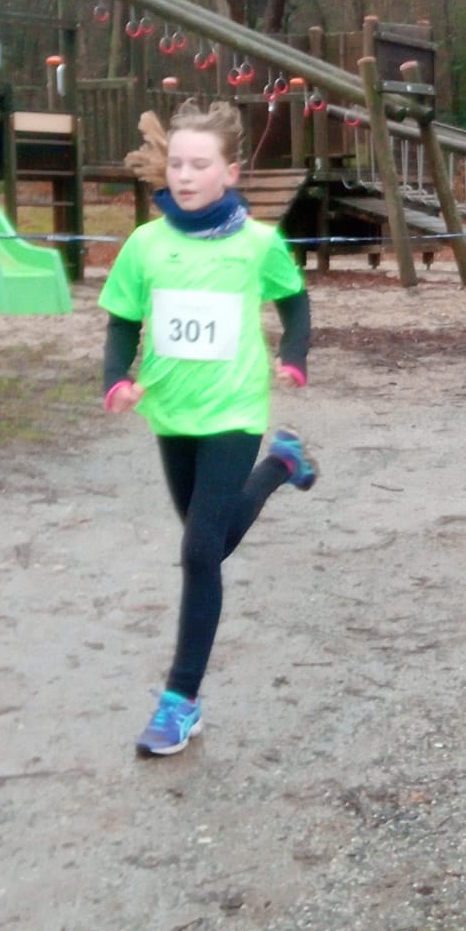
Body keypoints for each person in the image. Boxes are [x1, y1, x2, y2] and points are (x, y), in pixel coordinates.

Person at [100, 98, 316, 757]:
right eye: (178, 164)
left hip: (234, 409)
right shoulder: (146, 244)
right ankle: (281, 464)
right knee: (210, 542)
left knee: (198, 551)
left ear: (231, 172)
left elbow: (295, 302)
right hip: (171, 410)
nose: (186, 175)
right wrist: (115, 378)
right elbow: (122, 320)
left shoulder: (258, 245)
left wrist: (294, 355)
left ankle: (181, 701)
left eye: (200, 164)